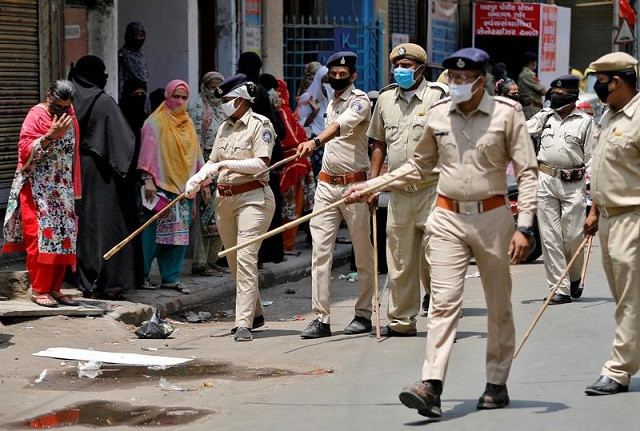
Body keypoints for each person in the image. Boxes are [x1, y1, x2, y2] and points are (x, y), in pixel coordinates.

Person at [345, 48, 538, 417]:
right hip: (447, 217)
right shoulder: (437, 115)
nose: (458, 84)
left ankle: (496, 382)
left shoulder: (506, 115)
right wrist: (375, 185)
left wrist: (525, 225)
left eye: (465, 79)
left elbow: (527, 172)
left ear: (481, 80)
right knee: (444, 303)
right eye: (453, 78)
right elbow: (419, 165)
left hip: (493, 217)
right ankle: (431, 384)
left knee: (499, 304)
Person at [185, 74, 276, 342]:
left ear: (240, 100)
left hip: (254, 198)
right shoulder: (225, 126)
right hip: (224, 199)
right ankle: (256, 313)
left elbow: (262, 163)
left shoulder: (261, 125)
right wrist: (197, 179)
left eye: (226, 100)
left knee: (246, 257)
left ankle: (243, 323)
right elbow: (212, 161)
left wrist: (226, 166)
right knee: (235, 262)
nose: (223, 104)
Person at [368, 43, 447, 337]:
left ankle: (441, 318)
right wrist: (374, 184)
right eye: (397, 65)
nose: (401, 70)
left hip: (434, 190)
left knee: (435, 258)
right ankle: (402, 320)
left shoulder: (438, 98)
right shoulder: (386, 99)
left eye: (407, 65)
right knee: (399, 260)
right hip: (399, 192)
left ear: (421, 68)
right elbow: (378, 143)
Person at [296, 51, 375, 339]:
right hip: (326, 186)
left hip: (354, 186)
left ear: (352, 76)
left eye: (343, 75)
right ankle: (321, 318)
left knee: (363, 253)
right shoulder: (328, 100)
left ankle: (364, 314)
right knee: (320, 253)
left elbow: (340, 126)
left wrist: (314, 141)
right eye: (333, 74)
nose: (337, 78)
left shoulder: (360, 101)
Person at [583, 52, 640, 396]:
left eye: (599, 82)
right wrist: (593, 211)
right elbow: (602, 167)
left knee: (629, 300)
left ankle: (618, 370)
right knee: (625, 296)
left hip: (633, 219)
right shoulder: (609, 115)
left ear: (616, 82)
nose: (596, 88)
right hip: (607, 218)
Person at [2, 80, 81, 307]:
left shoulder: (71, 116)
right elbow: (24, 149)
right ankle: (39, 289)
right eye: (57, 106)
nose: (62, 111)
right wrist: (49, 136)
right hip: (36, 189)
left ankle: (56, 288)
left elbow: (72, 154)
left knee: (63, 239)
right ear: (48, 97)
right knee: (39, 238)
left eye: (66, 107)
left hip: (62, 189)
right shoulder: (35, 115)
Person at [69, 55, 143, 299]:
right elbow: (124, 142)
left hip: (73, 171)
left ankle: (83, 277)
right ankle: (110, 282)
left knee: (83, 225)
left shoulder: (67, 101)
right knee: (108, 225)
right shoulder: (103, 102)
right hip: (104, 173)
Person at [526, 74, 594, 304]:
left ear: (573, 96)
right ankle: (560, 288)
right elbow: (520, 130)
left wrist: (594, 185)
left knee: (573, 236)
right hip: (545, 180)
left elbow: (591, 157)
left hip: (573, 184)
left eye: (560, 94)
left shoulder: (585, 122)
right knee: (550, 237)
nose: (555, 97)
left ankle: (573, 277)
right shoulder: (544, 117)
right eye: (553, 93)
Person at [138, 79, 204, 294]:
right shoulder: (154, 123)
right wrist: (148, 179)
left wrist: (203, 182)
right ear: (167, 97)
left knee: (178, 236)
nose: (180, 101)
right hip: (159, 188)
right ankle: (143, 275)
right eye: (176, 96)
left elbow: (196, 154)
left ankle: (171, 277)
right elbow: (147, 153)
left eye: (184, 97)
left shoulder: (188, 123)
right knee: (152, 236)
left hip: (185, 188)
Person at [237, 54, 285, 265]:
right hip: (266, 158)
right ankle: (269, 252)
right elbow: (277, 129)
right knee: (266, 205)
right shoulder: (261, 93)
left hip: (245, 159)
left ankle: (252, 255)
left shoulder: (241, 92)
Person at [189, 71, 227, 277]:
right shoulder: (198, 110)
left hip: (223, 168)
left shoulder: (222, 108)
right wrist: (204, 177)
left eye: (219, 87)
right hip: (206, 167)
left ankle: (214, 259)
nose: (216, 91)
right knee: (204, 219)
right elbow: (196, 145)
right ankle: (200, 262)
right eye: (212, 86)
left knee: (220, 216)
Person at [272, 77, 314, 253]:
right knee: (289, 205)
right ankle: (285, 243)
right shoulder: (282, 112)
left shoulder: (284, 111)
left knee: (290, 205)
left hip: (293, 163)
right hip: (291, 165)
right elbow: (293, 139)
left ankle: (287, 243)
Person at [296, 66, 331, 178]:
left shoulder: (333, 97)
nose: (328, 84)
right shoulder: (307, 97)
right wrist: (314, 112)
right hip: (314, 143)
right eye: (325, 81)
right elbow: (300, 124)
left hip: (331, 142)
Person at [118, 21, 148, 101]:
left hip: (142, 95)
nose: (138, 39)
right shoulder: (122, 55)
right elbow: (120, 80)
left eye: (141, 36)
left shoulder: (141, 56)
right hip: (128, 97)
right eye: (135, 35)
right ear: (129, 36)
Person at [518, 51, 546, 119]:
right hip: (532, 108)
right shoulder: (528, 74)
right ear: (532, 62)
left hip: (532, 108)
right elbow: (543, 91)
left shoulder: (525, 74)